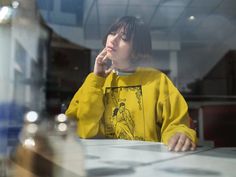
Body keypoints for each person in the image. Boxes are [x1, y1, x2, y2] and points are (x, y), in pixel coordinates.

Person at [66, 16, 197, 152]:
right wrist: (97, 79)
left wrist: (180, 135)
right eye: (112, 33)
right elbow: (82, 130)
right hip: (102, 162)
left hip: (146, 164)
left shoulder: (157, 80)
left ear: (137, 50)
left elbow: (177, 123)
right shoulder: (94, 81)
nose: (113, 40)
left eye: (123, 38)